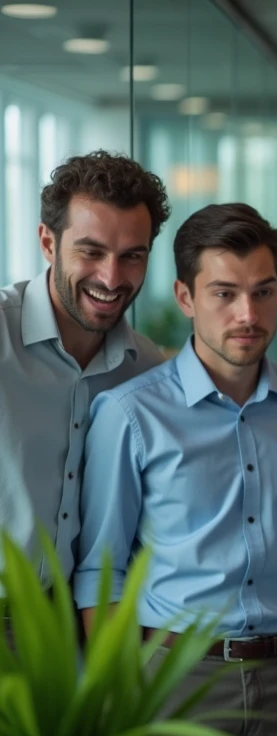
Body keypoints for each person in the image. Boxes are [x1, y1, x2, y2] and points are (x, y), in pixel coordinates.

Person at [73, 203, 277, 736]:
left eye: (263, 291)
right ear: (185, 297)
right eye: (224, 293)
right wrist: (123, 698)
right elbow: (102, 571)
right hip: (175, 683)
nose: (248, 314)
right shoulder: (130, 414)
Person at [0, 151, 167, 580]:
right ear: (48, 243)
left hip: (89, 613)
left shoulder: (146, 368)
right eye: (91, 251)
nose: (111, 278)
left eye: (132, 256)